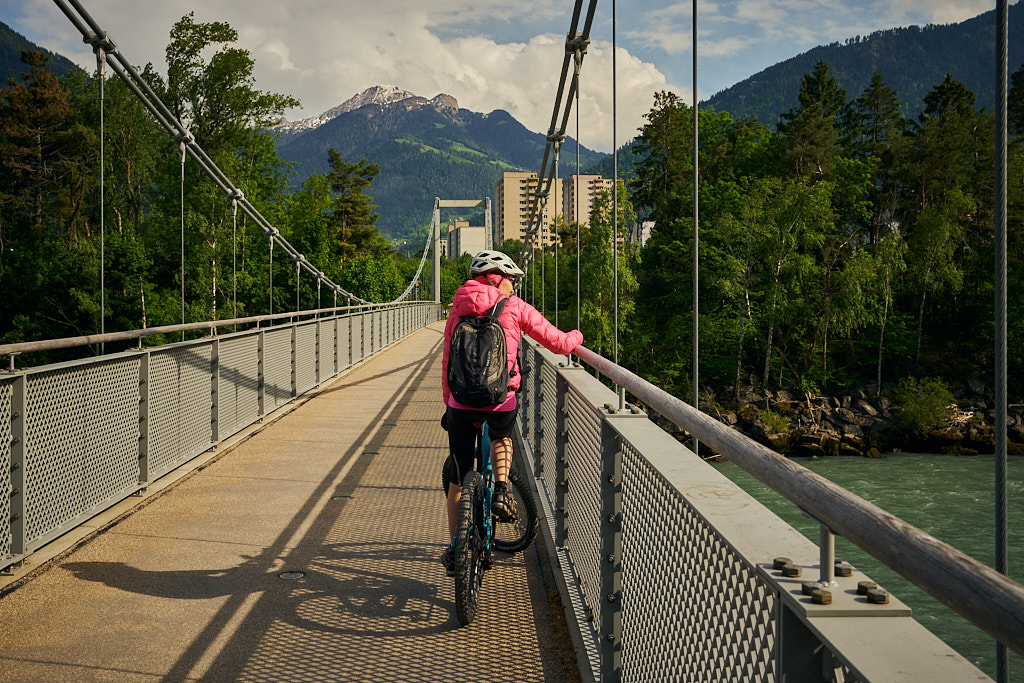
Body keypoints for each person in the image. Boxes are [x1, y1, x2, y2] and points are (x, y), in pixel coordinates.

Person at [441, 250, 583, 574]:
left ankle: (454, 549)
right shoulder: (514, 307)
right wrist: (578, 334)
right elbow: (559, 343)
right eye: (511, 281)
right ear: (498, 279)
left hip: (461, 404)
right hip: (500, 400)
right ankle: (502, 490)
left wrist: (449, 402)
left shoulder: (457, 308)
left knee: (458, 480)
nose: (514, 287)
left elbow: (448, 361)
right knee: (502, 437)